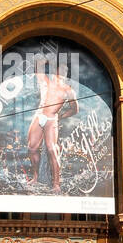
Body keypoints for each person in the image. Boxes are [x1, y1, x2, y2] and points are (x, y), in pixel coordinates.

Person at [25, 59, 78, 193]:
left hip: (51, 119)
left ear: (66, 75)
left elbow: (74, 109)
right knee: (31, 148)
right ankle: (35, 177)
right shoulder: (46, 82)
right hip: (39, 115)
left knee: (52, 150)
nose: (60, 73)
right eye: (58, 70)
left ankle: (56, 184)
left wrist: (60, 116)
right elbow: (38, 67)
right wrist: (48, 59)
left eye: (63, 71)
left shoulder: (68, 91)